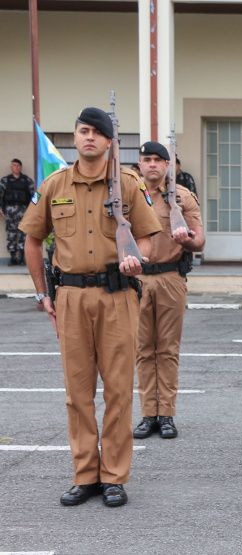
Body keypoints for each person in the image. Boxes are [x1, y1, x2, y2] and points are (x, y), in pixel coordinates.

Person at [18, 107, 161, 507]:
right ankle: (85, 475)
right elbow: (33, 239)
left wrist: (138, 258)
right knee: (77, 393)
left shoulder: (127, 185)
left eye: (97, 133)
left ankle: (113, 476)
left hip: (118, 295)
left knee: (117, 390)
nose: (89, 138)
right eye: (83, 131)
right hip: (71, 298)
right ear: (75, 138)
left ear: (109, 141)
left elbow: (148, 236)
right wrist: (43, 293)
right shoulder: (53, 185)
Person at [132, 141, 205, 441]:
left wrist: (185, 238)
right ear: (139, 164)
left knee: (168, 350)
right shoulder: (129, 196)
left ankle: (167, 415)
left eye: (158, 160)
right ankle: (148, 414)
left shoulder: (182, 197)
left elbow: (200, 242)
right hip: (136, 279)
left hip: (170, 277)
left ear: (168, 165)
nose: (152, 164)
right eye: (146, 159)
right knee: (142, 351)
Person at [0, 158, 36, 265]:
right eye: (14, 165)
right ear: (11, 167)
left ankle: (21, 258)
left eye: (18, 165)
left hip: (24, 211)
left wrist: (34, 209)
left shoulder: (27, 180)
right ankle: (12, 258)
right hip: (10, 211)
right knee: (11, 234)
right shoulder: (5, 180)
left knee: (23, 234)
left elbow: (36, 195)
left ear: (21, 167)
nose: (16, 167)